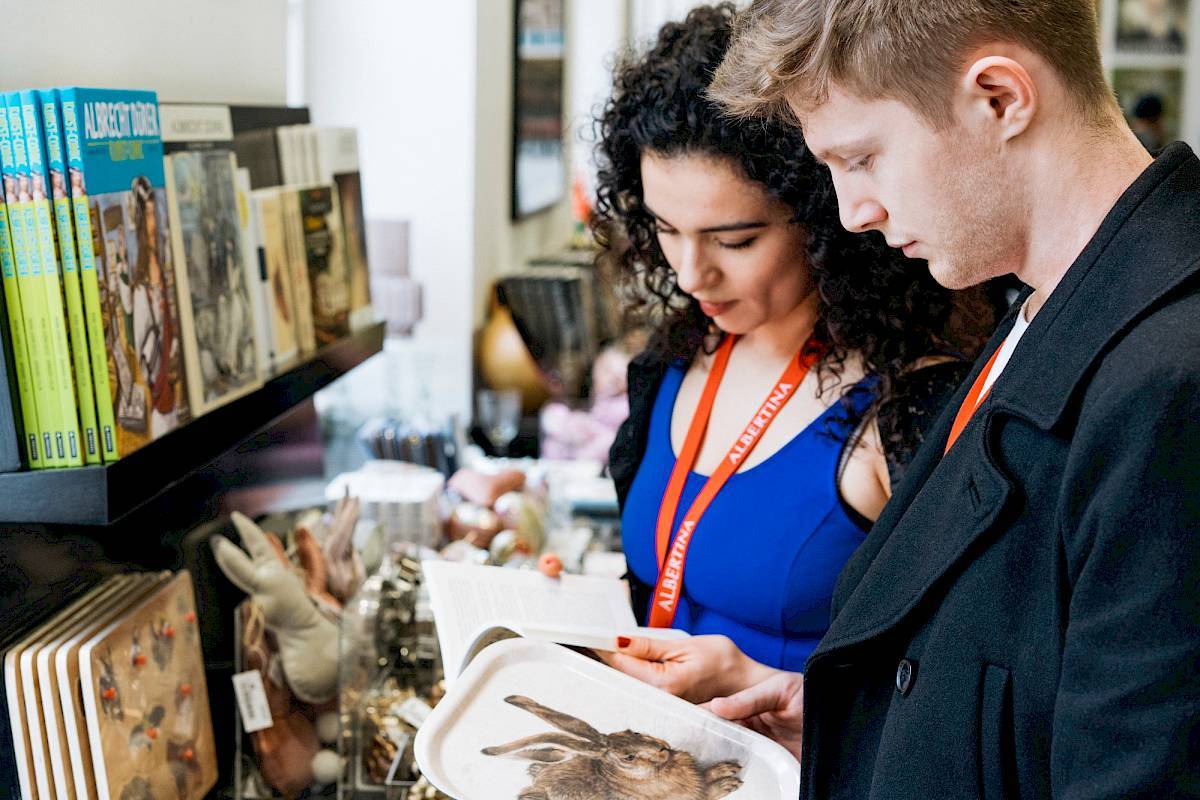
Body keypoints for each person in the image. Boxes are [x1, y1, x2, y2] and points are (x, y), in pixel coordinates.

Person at [627, 0, 1200, 795]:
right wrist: (853, 727)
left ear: (999, 98)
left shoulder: (1172, 379)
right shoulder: (1045, 308)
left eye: (861, 158)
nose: (854, 212)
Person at [596, 4, 988, 697]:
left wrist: (777, 684)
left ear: (823, 220)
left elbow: (955, 697)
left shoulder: (908, 406)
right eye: (664, 229)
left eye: (735, 240)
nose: (691, 275)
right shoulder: (674, 361)